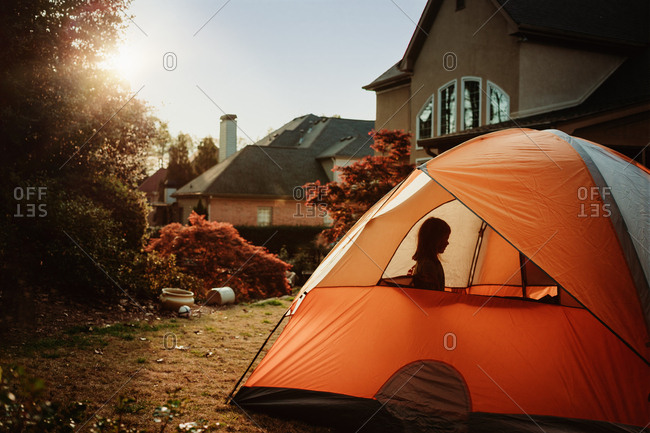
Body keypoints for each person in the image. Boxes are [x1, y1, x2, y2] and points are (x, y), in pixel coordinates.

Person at [411, 217, 451, 291]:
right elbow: (433, 294)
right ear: (436, 240)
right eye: (445, 239)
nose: (447, 243)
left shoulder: (425, 262)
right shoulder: (428, 265)